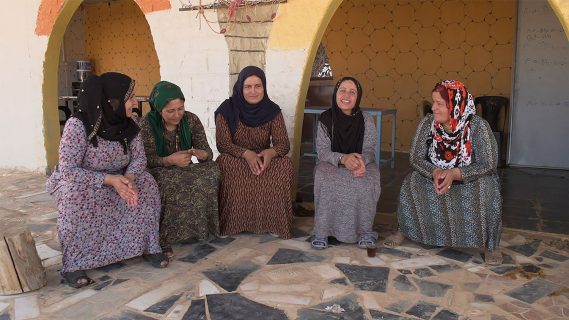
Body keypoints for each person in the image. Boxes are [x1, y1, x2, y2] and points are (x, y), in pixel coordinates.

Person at [46, 72, 168, 289]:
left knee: (147, 185)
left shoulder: (130, 122)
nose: (134, 102)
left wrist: (129, 178)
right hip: (84, 179)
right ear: (112, 101)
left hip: (122, 175)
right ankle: (74, 264)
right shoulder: (78, 125)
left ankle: (149, 246)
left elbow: (140, 158)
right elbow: (68, 170)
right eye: (129, 97)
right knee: (74, 197)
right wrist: (109, 180)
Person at [384, 80, 503, 265]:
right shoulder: (428, 124)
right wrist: (436, 172)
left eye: (439, 103)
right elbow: (415, 158)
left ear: (455, 105)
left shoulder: (478, 127)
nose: (433, 108)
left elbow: (489, 164)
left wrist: (455, 174)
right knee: (412, 182)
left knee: (487, 188)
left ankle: (491, 245)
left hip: (468, 178)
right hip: (435, 174)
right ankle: (404, 229)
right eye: (433, 102)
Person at [140, 81, 220, 256]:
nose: (177, 115)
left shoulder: (191, 120)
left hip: (186, 167)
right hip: (159, 170)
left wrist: (201, 154)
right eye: (171, 111)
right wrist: (169, 160)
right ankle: (165, 236)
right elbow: (145, 160)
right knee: (168, 181)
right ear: (159, 109)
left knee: (212, 171)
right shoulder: (147, 124)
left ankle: (200, 229)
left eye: (180, 108)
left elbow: (208, 153)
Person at [215, 65, 293, 238]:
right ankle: (232, 224)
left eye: (258, 86)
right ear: (240, 87)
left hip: (263, 156)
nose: (253, 91)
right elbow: (223, 144)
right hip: (237, 157)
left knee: (284, 164)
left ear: (264, 87)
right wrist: (246, 154)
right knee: (224, 162)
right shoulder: (226, 109)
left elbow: (283, 144)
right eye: (248, 86)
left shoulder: (273, 110)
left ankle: (273, 223)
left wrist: (270, 153)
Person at [310, 77, 381, 249]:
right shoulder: (326, 119)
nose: (346, 95)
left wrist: (360, 161)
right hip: (332, 163)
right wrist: (342, 158)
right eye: (342, 90)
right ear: (336, 93)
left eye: (352, 92)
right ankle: (322, 231)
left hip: (360, 162)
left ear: (358, 96)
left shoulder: (366, 119)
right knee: (324, 176)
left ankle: (364, 232)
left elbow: (370, 149)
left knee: (368, 179)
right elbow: (323, 151)